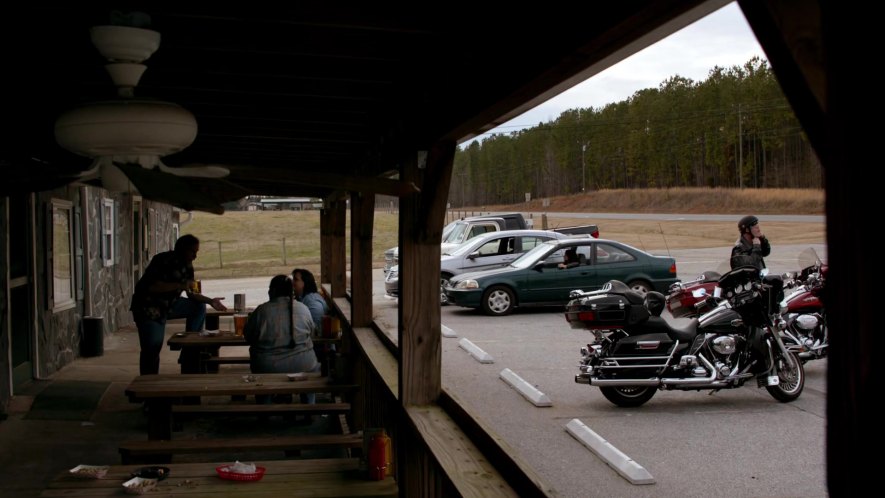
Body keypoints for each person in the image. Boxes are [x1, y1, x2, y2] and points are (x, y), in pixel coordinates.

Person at [130, 234, 227, 375]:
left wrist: (210, 301)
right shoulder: (162, 260)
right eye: (192, 251)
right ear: (182, 249)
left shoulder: (188, 266)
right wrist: (180, 285)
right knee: (152, 347)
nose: (195, 256)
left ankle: (190, 348)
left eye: (197, 252)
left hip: (170, 305)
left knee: (198, 307)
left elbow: (192, 293)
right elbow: (152, 287)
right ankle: (148, 384)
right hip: (149, 308)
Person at [244, 275, 320, 405]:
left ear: (272, 291)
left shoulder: (262, 311)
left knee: (260, 369)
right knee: (311, 368)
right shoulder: (303, 309)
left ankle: (264, 409)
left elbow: (248, 337)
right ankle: (309, 408)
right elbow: (312, 333)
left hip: (267, 368)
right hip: (303, 365)